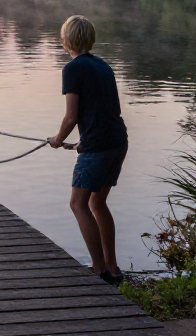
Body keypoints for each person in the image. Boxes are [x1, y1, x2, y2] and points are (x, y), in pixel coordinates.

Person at [48, 15, 128, 286]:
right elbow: (110, 110)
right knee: (97, 202)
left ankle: (99, 270)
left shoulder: (73, 68)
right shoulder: (103, 66)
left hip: (99, 146)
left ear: (65, 40)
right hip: (117, 141)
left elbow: (71, 116)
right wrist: (83, 141)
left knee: (78, 203)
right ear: (90, 38)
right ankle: (113, 267)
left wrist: (59, 138)